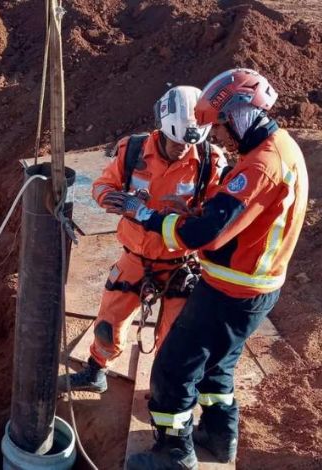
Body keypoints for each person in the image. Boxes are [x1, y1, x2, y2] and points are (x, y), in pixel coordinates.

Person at [121, 69, 309, 469]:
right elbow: (239, 217)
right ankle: (220, 437)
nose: (220, 137)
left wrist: (151, 217)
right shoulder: (283, 147)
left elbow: (204, 234)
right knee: (218, 365)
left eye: (222, 126)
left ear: (243, 113)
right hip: (253, 287)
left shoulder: (260, 167)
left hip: (231, 291)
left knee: (174, 367)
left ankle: (173, 453)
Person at [69, 86, 226, 393]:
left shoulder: (210, 162)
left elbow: (217, 216)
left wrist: (192, 215)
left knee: (175, 335)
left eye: (186, 143)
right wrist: (117, 199)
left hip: (180, 263)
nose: (181, 149)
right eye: (174, 141)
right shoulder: (134, 150)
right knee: (108, 321)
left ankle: (164, 391)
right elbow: (102, 186)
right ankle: (96, 370)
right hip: (136, 256)